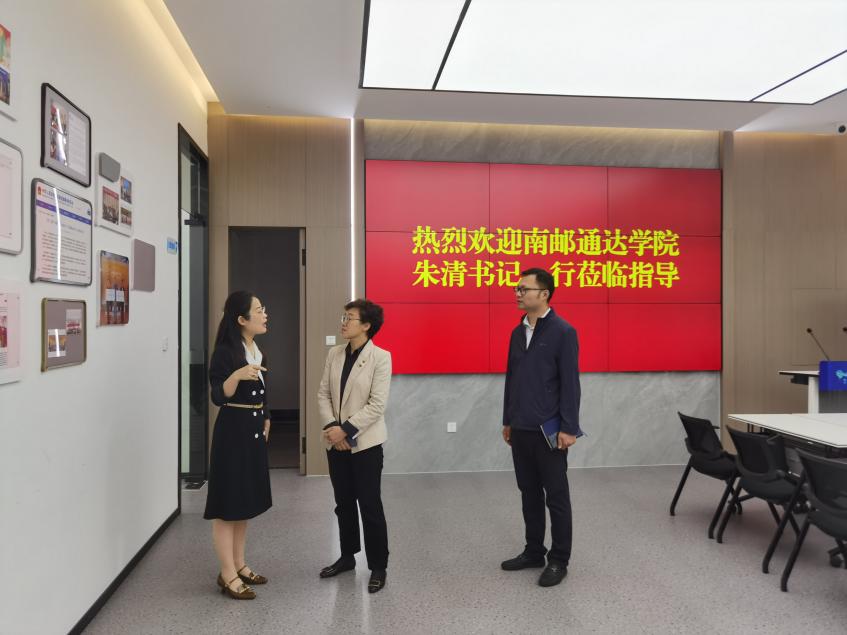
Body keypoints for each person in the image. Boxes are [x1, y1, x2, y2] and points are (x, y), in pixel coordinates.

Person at [501, 268, 583, 588]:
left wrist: (569, 427)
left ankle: (559, 559)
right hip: (520, 427)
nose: (518, 293)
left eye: (524, 289)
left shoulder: (563, 332)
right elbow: (512, 379)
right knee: (529, 493)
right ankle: (534, 551)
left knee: (556, 496)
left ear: (544, 294)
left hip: (550, 429)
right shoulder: (517, 332)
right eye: (517, 289)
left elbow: (570, 383)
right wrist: (508, 419)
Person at [317, 299, 392, 594]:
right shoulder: (334, 354)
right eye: (344, 317)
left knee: (370, 505)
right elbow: (323, 394)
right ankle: (347, 556)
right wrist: (332, 429)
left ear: (366, 325)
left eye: (350, 318)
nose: (344, 322)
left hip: (366, 445)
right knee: (343, 503)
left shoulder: (380, 357)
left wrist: (345, 430)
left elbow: (377, 405)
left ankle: (378, 566)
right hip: (336, 443)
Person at [204, 291, 273, 600]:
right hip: (232, 433)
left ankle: (240, 564)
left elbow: (264, 392)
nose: (265, 314)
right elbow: (218, 396)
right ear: (242, 319)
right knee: (227, 506)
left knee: (244, 502)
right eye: (259, 310)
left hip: (253, 431)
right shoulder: (225, 352)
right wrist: (237, 375)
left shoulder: (257, 351)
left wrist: (267, 417)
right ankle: (227, 573)